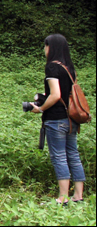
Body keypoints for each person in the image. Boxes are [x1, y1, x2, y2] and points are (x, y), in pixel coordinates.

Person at [30, 34, 86, 205]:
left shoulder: (52, 68)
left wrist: (40, 107)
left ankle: (63, 197)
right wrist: (44, 96)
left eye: (45, 46)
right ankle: (78, 196)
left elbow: (56, 95)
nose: (44, 49)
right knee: (73, 155)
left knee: (59, 157)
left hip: (56, 120)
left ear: (50, 47)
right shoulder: (70, 68)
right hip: (71, 119)